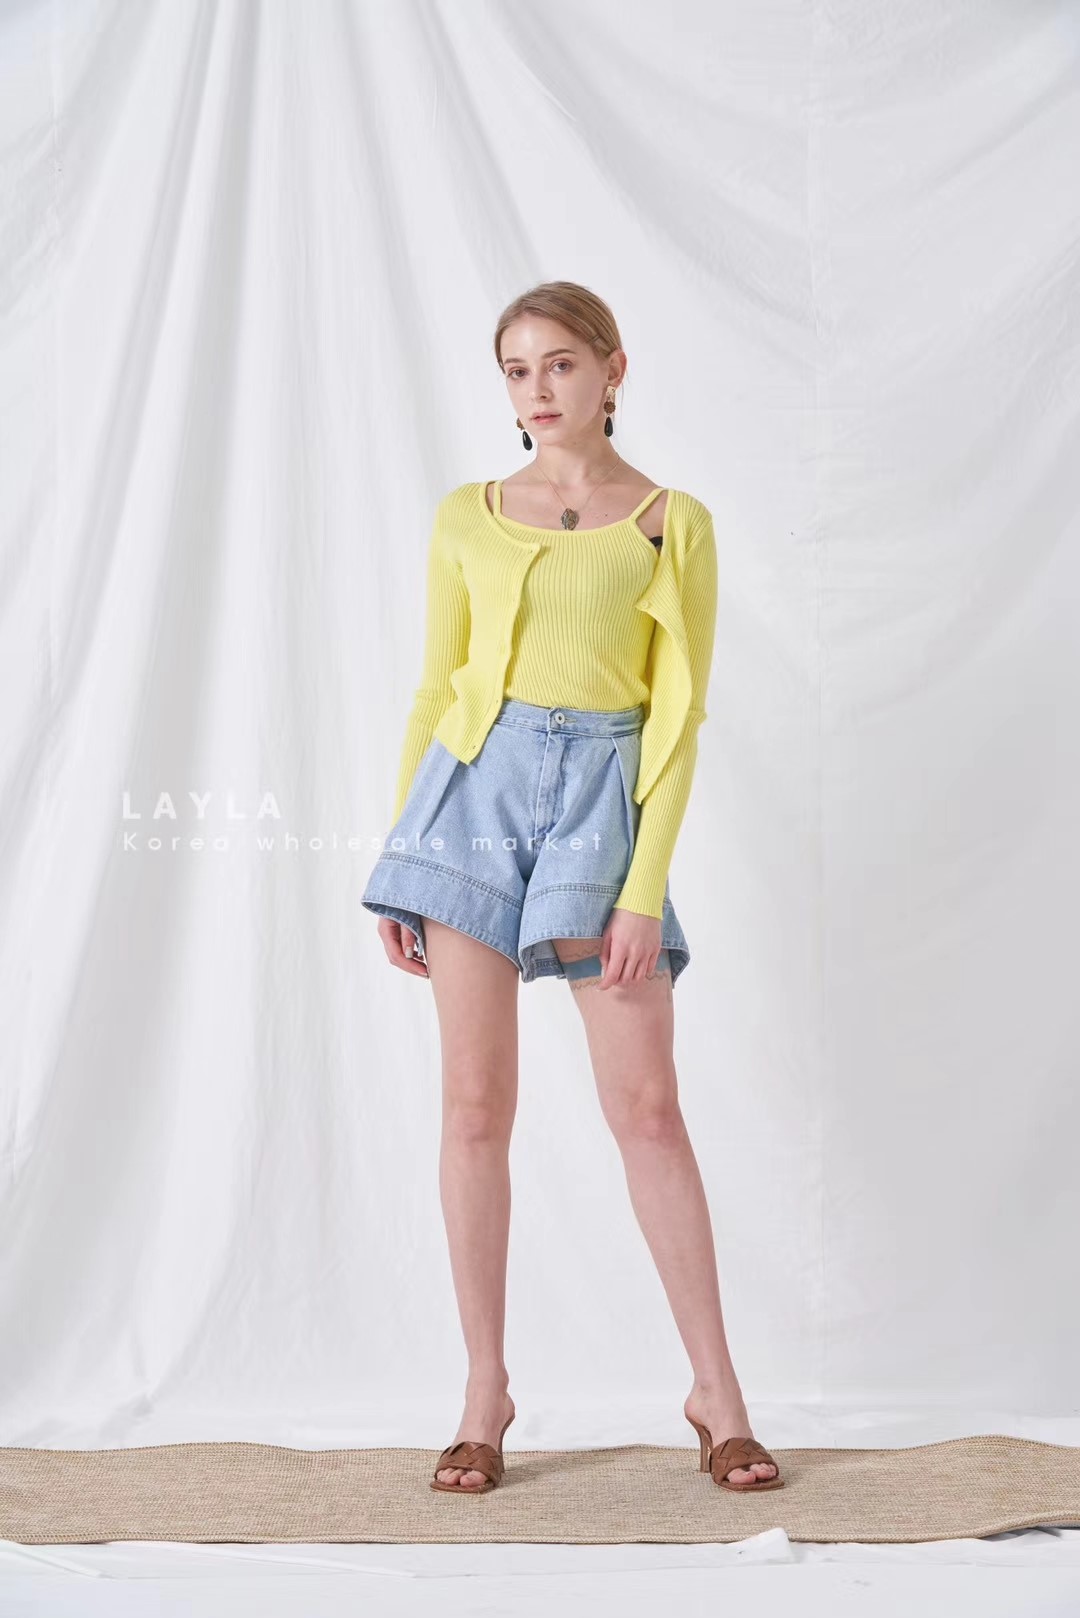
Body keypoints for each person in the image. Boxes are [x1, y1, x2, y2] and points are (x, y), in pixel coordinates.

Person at [361, 281, 783, 1495]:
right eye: (515, 369)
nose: (536, 389)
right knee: (473, 1107)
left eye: (557, 364)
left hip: (603, 798)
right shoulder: (468, 515)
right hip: (471, 801)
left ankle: (717, 1395)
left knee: (647, 1108)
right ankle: (484, 1392)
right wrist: (405, 858)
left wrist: (643, 888)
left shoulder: (668, 524)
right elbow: (437, 689)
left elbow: (678, 718)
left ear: (612, 370)